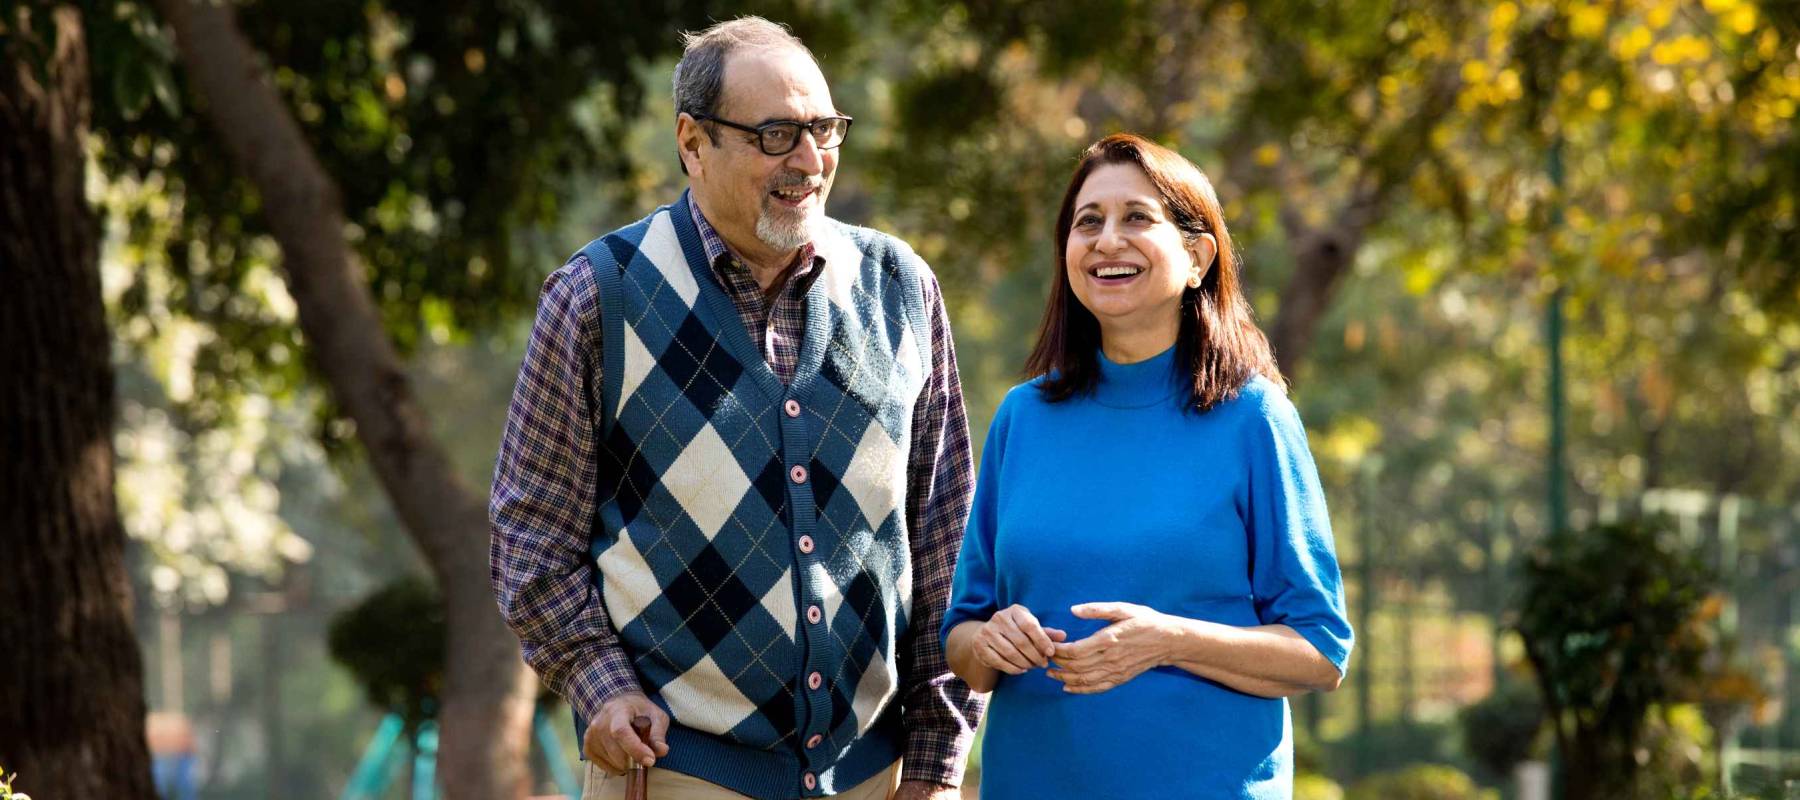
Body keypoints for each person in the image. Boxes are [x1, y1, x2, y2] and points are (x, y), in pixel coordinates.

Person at [488, 16, 982, 800]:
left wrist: (935, 763)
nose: (810, 161)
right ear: (692, 142)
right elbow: (532, 537)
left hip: (877, 778)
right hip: (672, 773)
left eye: (824, 130)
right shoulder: (596, 298)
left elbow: (950, 543)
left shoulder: (903, 289)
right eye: (777, 134)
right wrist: (601, 684)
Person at [940, 133, 1354, 799]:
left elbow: (1320, 651)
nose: (1107, 241)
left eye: (1137, 217)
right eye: (1088, 222)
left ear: (1197, 257)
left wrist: (1170, 641)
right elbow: (961, 637)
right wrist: (990, 638)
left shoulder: (1254, 418)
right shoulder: (1022, 418)